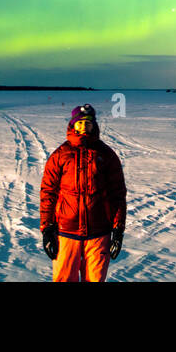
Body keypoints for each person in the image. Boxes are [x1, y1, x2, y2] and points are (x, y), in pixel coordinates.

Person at [39, 103, 126, 281]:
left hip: (99, 232)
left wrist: (118, 230)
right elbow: (48, 193)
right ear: (72, 124)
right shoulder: (60, 155)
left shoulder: (106, 155)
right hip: (65, 232)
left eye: (88, 123)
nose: (84, 127)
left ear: (94, 125)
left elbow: (117, 194)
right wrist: (47, 229)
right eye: (80, 123)